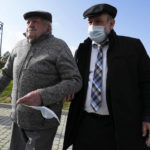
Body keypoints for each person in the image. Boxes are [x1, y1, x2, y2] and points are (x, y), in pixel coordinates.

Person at [63, 3, 150, 150]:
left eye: (98, 22)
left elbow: (147, 82)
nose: (92, 26)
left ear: (112, 23)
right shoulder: (82, 50)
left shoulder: (132, 47)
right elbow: (76, 80)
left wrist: (147, 116)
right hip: (85, 125)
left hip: (120, 126)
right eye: (90, 22)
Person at [0, 10, 82, 150]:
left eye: (35, 21)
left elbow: (74, 80)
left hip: (42, 124)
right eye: (28, 22)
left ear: (48, 27)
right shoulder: (18, 46)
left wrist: (42, 95)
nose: (30, 24)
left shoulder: (59, 46)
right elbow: (6, 74)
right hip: (17, 120)